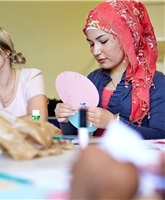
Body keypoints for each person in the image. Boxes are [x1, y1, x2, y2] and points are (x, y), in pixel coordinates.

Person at [55, 0, 165, 139]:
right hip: (98, 157)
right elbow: (77, 132)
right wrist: (65, 119)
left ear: (126, 38)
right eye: (91, 44)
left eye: (103, 41)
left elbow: (161, 136)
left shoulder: (155, 82)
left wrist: (114, 122)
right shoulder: (93, 78)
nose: (96, 51)